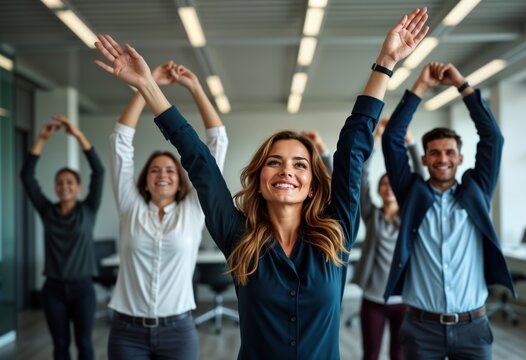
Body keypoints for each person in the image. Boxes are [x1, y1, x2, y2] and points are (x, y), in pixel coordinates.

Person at [93, 7, 428, 358]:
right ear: (260, 179)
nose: (287, 171)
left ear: (312, 185)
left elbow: (353, 146)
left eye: (300, 165)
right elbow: (200, 162)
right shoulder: (239, 238)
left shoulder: (337, 232)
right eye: (274, 162)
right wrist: (147, 85)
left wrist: (385, 62)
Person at [381, 62, 514, 360]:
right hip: (421, 328)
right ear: (425, 159)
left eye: (450, 152)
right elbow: (392, 140)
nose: (443, 159)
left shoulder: (477, 191)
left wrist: (462, 85)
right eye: (435, 153)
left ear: (460, 158)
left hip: (473, 327)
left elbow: (493, 138)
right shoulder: (411, 194)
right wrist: (421, 87)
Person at [106, 61, 228, 359]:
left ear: (181, 180)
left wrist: (196, 88)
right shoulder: (129, 206)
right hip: (127, 332)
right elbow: (120, 141)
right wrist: (146, 85)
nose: (163, 174)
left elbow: (217, 143)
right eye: (156, 170)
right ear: (145, 181)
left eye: (171, 171)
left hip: (179, 330)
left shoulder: (194, 209)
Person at [20, 116, 104, 360]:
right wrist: (42, 139)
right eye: (59, 183)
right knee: (60, 345)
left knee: (85, 344)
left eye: (70, 182)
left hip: (83, 288)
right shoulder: (47, 211)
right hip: (53, 289)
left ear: (78, 187)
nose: (64, 186)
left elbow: (98, 172)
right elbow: (27, 177)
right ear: (55, 187)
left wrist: (78, 136)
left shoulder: (87, 210)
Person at [351, 118, 423, 360]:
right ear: (380, 190)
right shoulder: (371, 215)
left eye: (392, 183)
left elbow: (420, 178)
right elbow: (360, 176)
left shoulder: (410, 216)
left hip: (404, 299)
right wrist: (376, 139)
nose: (388, 187)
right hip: (373, 298)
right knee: (370, 354)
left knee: (399, 355)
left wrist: (410, 143)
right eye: (384, 184)